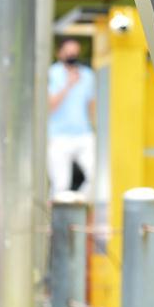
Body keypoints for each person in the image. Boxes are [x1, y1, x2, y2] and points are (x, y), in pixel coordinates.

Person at [47, 39, 96, 196]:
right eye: (69, 52)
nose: (72, 55)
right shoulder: (51, 74)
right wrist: (68, 85)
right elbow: (50, 106)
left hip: (83, 133)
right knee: (60, 184)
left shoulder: (87, 75)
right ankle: (58, 218)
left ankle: (79, 207)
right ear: (60, 53)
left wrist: (95, 127)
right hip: (58, 135)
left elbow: (91, 105)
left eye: (75, 52)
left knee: (96, 177)